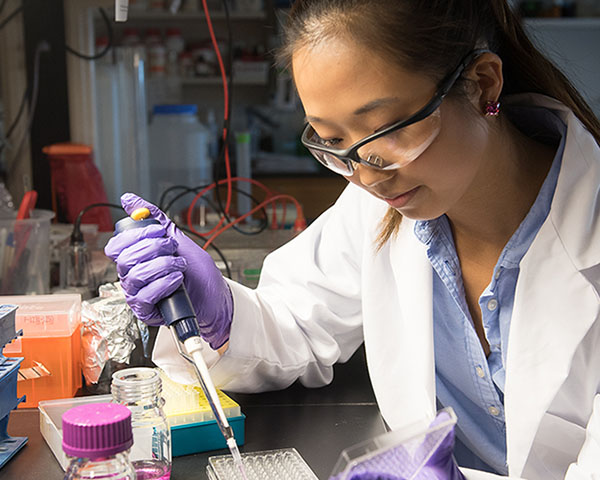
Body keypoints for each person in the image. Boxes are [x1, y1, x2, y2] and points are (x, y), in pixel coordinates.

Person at [105, 0, 600, 478]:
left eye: (385, 131)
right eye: (334, 142)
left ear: (481, 85)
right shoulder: (381, 206)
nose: (366, 175)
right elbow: (295, 322)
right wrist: (220, 315)